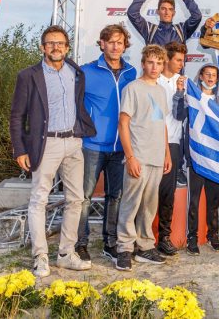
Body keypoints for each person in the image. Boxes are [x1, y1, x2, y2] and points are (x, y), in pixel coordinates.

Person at [10, 25, 96, 277]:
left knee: (76, 199)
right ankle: (40, 256)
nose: (55, 47)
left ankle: (65, 254)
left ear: (67, 47)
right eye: (50, 43)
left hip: (73, 143)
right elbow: (17, 116)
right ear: (42, 47)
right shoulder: (28, 75)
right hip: (45, 143)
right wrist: (20, 149)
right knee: (39, 199)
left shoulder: (75, 72)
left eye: (60, 43)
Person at [76, 24, 136, 265]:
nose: (115, 46)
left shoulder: (132, 72)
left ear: (124, 46)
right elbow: (74, 104)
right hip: (91, 145)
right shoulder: (86, 72)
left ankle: (110, 243)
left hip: (121, 148)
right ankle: (80, 244)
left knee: (116, 196)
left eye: (119, 42)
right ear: (102, 43)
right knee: (84, 197)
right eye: (110, 41)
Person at [115, 45, 172, 271]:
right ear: (143, 63)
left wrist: (167, 152)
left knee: (149, 206)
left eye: (159, 63)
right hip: (138, 155)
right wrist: (130, 157)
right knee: (130, 204)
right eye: (150, 62)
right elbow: (123, 123)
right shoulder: (133, 88)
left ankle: (145, 247)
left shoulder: (160, 91)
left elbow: (161, 124)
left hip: (157, 157)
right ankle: (124, 249)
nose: (155, 67)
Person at [179, 64, 219, 256]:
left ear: (217, 79)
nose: (210, 78)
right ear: (200, 76)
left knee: (214, 200)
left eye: (214, 75)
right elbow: (179, 115)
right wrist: (179, 95)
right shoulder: (190, 97)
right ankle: (192, 238)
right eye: (207, 74)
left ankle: (213, 235)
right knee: (194, 200)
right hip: (196, 157)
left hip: (214, 159)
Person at [155, 42, 188, 257]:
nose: (181, 64)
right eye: (178, 60)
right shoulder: (152, 78)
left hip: (173, 142)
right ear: (167, 58)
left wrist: (179, 93)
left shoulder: (183, 83)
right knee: (148, 192)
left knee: (167, 193)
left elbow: (180, 115)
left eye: (183, 61)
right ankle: (142, 238)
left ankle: (164, 237)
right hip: (151, 142)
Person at [127, 0, 202, 46]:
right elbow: (132, 12)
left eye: (170, 9)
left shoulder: (182, 29)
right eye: (163, 9)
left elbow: (197, 16)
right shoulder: (149, 29)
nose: (167, 12)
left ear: (174, 13)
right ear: (157, 12)